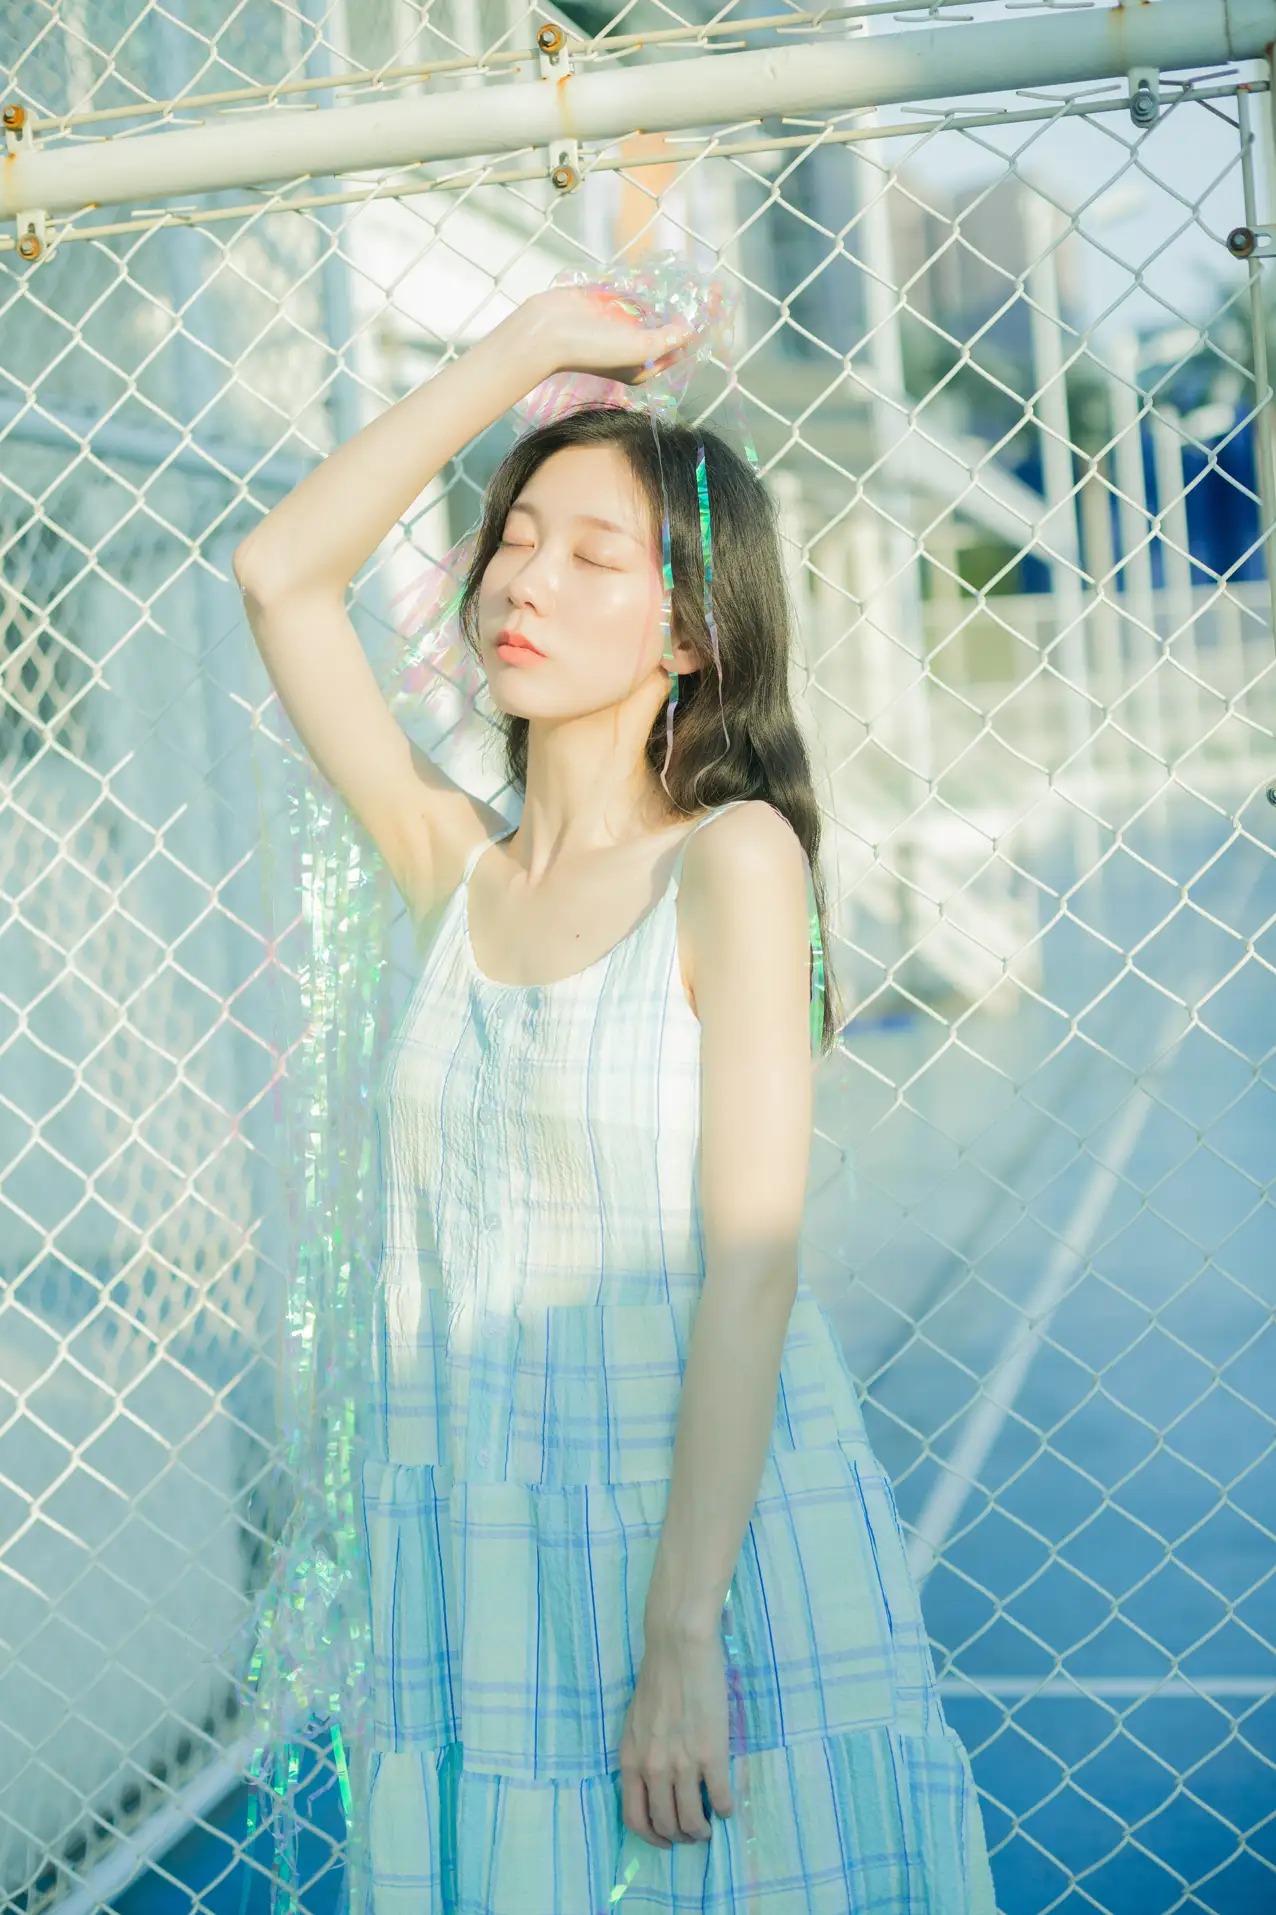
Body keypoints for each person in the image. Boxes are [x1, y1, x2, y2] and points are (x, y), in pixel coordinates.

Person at [233, 283, 995, 1912]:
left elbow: (754, 1265)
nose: (524, 579)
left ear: (690, 633)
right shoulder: (453, 867)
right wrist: (522, 354)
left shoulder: (731, 859)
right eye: (515, 539)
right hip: (483, 1540)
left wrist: (680, 1635)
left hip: (699, 1541)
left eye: (594, 556)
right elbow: (281, 573)